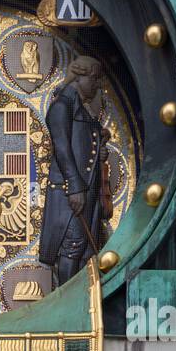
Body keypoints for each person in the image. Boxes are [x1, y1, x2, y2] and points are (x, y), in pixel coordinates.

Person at [39, 56, 113, 285]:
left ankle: (78, 294)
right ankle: (65, 297)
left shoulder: (79, 107)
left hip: (84, 188)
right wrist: (74, 186)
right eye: (94, 79)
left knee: (84, 249)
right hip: (71, 190)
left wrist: (98, 151)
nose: (97, 85)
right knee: (72, 244)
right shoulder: (62, 106)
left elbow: (82, 145)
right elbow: (62, 148)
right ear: (80, 76)